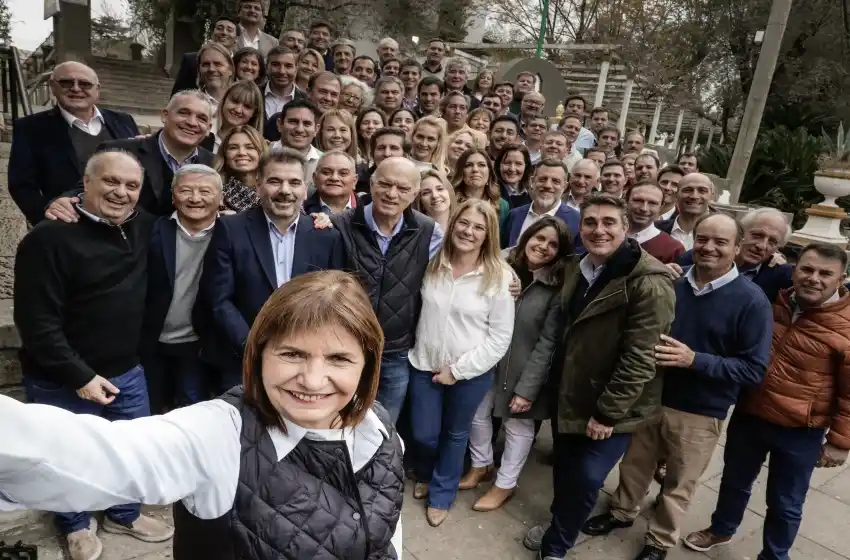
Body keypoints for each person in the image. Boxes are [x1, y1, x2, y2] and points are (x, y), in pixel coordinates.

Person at [0, 270, 405, 560]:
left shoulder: (379, 429)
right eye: (292, 353)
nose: (314, 380)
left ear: (366, 366)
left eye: (338, 358)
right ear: (258, 353)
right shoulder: (219, 434)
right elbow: (88, 453)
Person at [584, 213, 773, 560]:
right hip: (650, 397)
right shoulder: (672, 281)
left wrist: (694, 360)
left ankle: (659, 541)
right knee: (635, 466)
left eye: (720, 242)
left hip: (700, 411)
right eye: (702, 239)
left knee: (678, 485)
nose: (709, 248)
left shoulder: (752, 301)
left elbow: (753, 369)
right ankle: (621, 512)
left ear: (738, 247)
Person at [13, 150, 172, 560]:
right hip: (62, 378)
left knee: (130, 451)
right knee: (65, 458)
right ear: (84, 184)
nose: (121, 192)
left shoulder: (145, 228)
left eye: (131, 185)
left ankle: (123, 512)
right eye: (110, 182)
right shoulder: (47, 238)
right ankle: (75, 523)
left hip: (127, 370)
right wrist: (79, 376)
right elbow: (36, 323)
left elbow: (197, 216)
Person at [522, 193, 676, 558]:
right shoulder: (578, 266)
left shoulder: (649, 282)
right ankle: (562, 522)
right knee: (566, 469)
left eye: (609, 222)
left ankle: (556, 546)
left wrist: (608, 412)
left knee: (586, 477)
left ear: (626, 227)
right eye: (590, 222)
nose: (599, 230)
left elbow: (641, 358)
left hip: (612, 407)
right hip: (570, 392)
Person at [684, 242, 850, 560]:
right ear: (794, 269)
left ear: (841, 279)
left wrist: (840, 441)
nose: (814, 278)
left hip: (801, 429)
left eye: (825, 273)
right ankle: (721, 528)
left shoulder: (845, 325)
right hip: (751, 413)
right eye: (807, 269)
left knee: (785, 501)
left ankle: (774, 555)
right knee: (734, 480)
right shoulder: (774, 300)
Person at [409, 199, 516, 527]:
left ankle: (442, 493)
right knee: (424, 433)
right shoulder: (431, 262)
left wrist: (458, 371)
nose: (468, 231)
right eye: (463, 223)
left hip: (469, 373)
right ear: (452, 224)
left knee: (456, 435)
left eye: (478, 227)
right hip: (424, 364)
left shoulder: (499, 277)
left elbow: (500, 337)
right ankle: (426, 474)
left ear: (488, 235)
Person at [202, 148, 346, 388]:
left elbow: (333, 302)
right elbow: (219, 300)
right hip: (242, 360)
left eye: (294, 182)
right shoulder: (230, 229)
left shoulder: (326, 236)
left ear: (305, 187)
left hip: (306, 363)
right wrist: (254, 347)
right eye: (274, 181)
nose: (285, 191)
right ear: (258, 184)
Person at [465, 216, 574, 512]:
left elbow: (548, 342)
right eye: (539, 238)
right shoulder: (499, 265)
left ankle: (505, 484)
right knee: (476, 413)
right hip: (488, 359)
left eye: (553, 244)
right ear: (527, 236)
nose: (543, 247)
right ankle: (481, 464)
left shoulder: (557, 287)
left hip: (526, 368)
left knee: (518, 427)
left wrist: (528, 389)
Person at [332, 157, 444, 422]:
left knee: (383, 427)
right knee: (338, 421)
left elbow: (464, 264)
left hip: (395, 352)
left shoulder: (429, 232)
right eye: (385, 184)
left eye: (403, 188)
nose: (392, 194)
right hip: (346, 345)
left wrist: (509, 277)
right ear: (371, 184)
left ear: (415, 194)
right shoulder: (340, 225)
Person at [44, 90, 215, 222]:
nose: (192, 122)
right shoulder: (120, 151)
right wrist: (66, 201)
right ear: (164, 115)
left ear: (208, 128)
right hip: (130, 253)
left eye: (201, 118)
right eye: (184, 113)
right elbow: (87, 187)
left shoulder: (214, 164)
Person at [9, 61, 139, 225]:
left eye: (85, 84)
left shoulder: (124, 121)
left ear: (97, 90)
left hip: (123, 222)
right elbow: (21, 184)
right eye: (66, 82)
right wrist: (46, 219)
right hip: (70, 225)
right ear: (52, 86)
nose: (76, 88)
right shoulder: (30, 128)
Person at [141, 165, 221, 413]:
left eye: (205, 191)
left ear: (220, 197)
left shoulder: (233, 232)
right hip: (151, 341)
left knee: (192, 413)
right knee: (148, 414)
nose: (195, 198)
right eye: (186, 190)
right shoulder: (151, 229)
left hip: (198, 344)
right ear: (173, 195)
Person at [502, 159, 579, 248]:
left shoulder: (576, 221)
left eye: (555, 181)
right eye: (542, 179)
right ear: (532, 181)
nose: (547, 185)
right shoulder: (514, 215)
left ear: (565, 186)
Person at [170, 16, 238, 95]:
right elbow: (177, 94)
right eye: (219, 28)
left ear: (236, 39)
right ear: (212, 33)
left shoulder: (238, 64)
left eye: (229, 30)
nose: (224, 33)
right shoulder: (191, 60)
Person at [626, 181, 685, 264]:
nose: (644, 208)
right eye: (638, 200)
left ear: (661, 207)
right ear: (626, 201)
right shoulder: (607, 235)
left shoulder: (672, 249)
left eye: (652, 203)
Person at [452, 147, 510, 229]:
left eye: (481, 165)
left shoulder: (502, 205)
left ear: (489, 172)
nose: (475, 169)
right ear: (461, 171)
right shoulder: (450, 200)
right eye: (469, 165)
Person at [214, 125, 265, 213]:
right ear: (225, 154)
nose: (241, 153)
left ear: (261, 153)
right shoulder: (213, 191)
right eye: (233, 147)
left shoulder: (272, 192)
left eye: (250, 147)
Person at [656, 172, 714, 250]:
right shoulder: (655, 229)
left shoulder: (721, 235)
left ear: (711, 196)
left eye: (702, 191)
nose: (694, 196)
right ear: (677, 194)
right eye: (688, 190)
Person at [269, 99, 323, 181]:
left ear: (316, 129)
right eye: (293, 122)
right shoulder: (262, 153)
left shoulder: (325, 162)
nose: (299, 129)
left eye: (307, 124)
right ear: (280, 125)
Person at [208, 80, 264, 153]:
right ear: (224, 100)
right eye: (235, 101)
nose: (238, 110)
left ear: (254, 113)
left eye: (247, 106)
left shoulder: (258, 148)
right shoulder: (203, 131)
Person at [303, 150, 358, 215]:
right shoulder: (301, 209)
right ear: (315, 178)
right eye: (326, 172)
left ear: (354, 181)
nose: (334, 178)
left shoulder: (368, 209)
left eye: (343, 173)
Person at [355, 126, 407, 194]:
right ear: (372, 154)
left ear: (405, 154)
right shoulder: (357, 183)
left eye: (394, 148)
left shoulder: (416, 182)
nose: (387, 154)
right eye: (381, 148)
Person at [263, 47, 304, 127]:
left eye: (288, 66)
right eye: (275, 65)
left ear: (296, 70)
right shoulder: (253, 94)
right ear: (267, 67)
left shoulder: (306, 100)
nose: (282, 71)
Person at [197, 42, 235, 109]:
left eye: (218, 64)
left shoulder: (242, 101)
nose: (211, 69)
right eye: (206, 64)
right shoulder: (190, 102)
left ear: (230, 69)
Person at [417, 168, 456, 233]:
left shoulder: (463, 227)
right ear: (420, 202)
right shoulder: (415, 234)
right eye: (426, 193)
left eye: (440, 189)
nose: (435, 195)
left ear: (449, 192)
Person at [495, 143, 533, 209]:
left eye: (518, 164)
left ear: (526, 167)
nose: (512, 169)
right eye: (507, 163)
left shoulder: (532, 192)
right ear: (499, 165)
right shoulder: (491, 193)